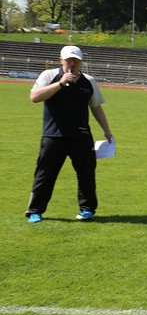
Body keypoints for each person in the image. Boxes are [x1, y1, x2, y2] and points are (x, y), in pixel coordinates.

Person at [25, 45, 114, 223]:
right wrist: (60, 84)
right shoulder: (49, 76)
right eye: (68, 60)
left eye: (76, 60)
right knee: (45, 174)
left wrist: (107, 131)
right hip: (53, 136)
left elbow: (95, 106)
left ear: (81, 62)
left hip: (81, 136)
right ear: (61, 60)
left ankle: (87, 209)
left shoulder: (89, 81)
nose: (72, 63)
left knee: (86, 174)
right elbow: (35, 97)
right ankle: (35, 210)